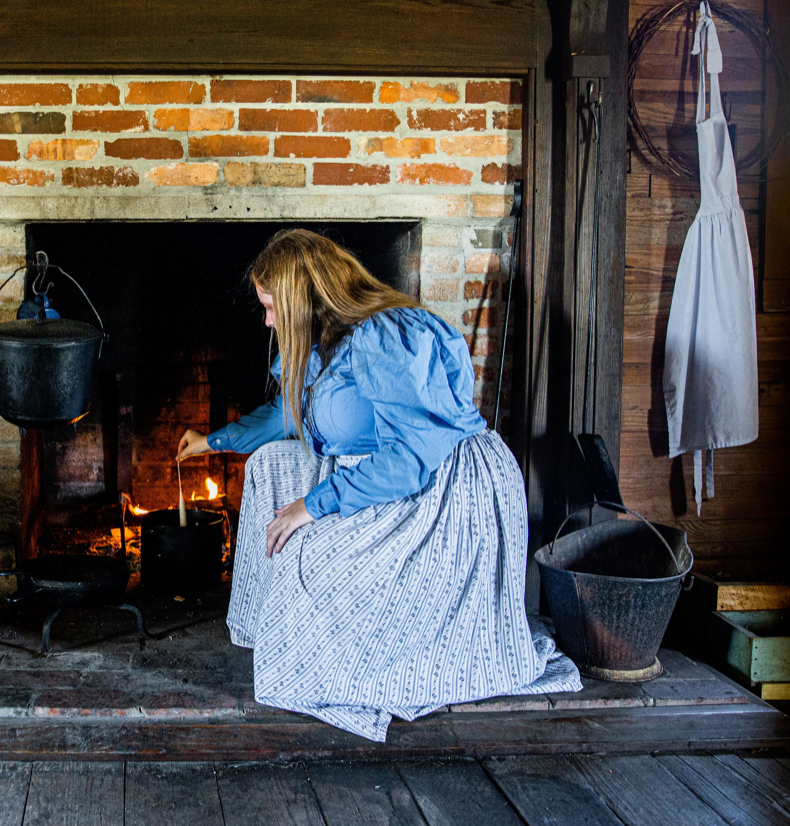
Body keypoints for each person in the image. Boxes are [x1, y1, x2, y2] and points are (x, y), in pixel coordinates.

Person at [177, 229, 580, 742]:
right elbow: (288, 415)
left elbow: (410, 459)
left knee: (307, 550)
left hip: (440, 486)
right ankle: (275, 635)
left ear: (303, 299)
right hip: (381, 467)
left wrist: (313, 505)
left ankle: (342, 665)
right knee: (266, 467)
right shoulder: (325, 346)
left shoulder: (383, 336)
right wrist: (212, 441)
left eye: (272, 307)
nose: (268, 321)